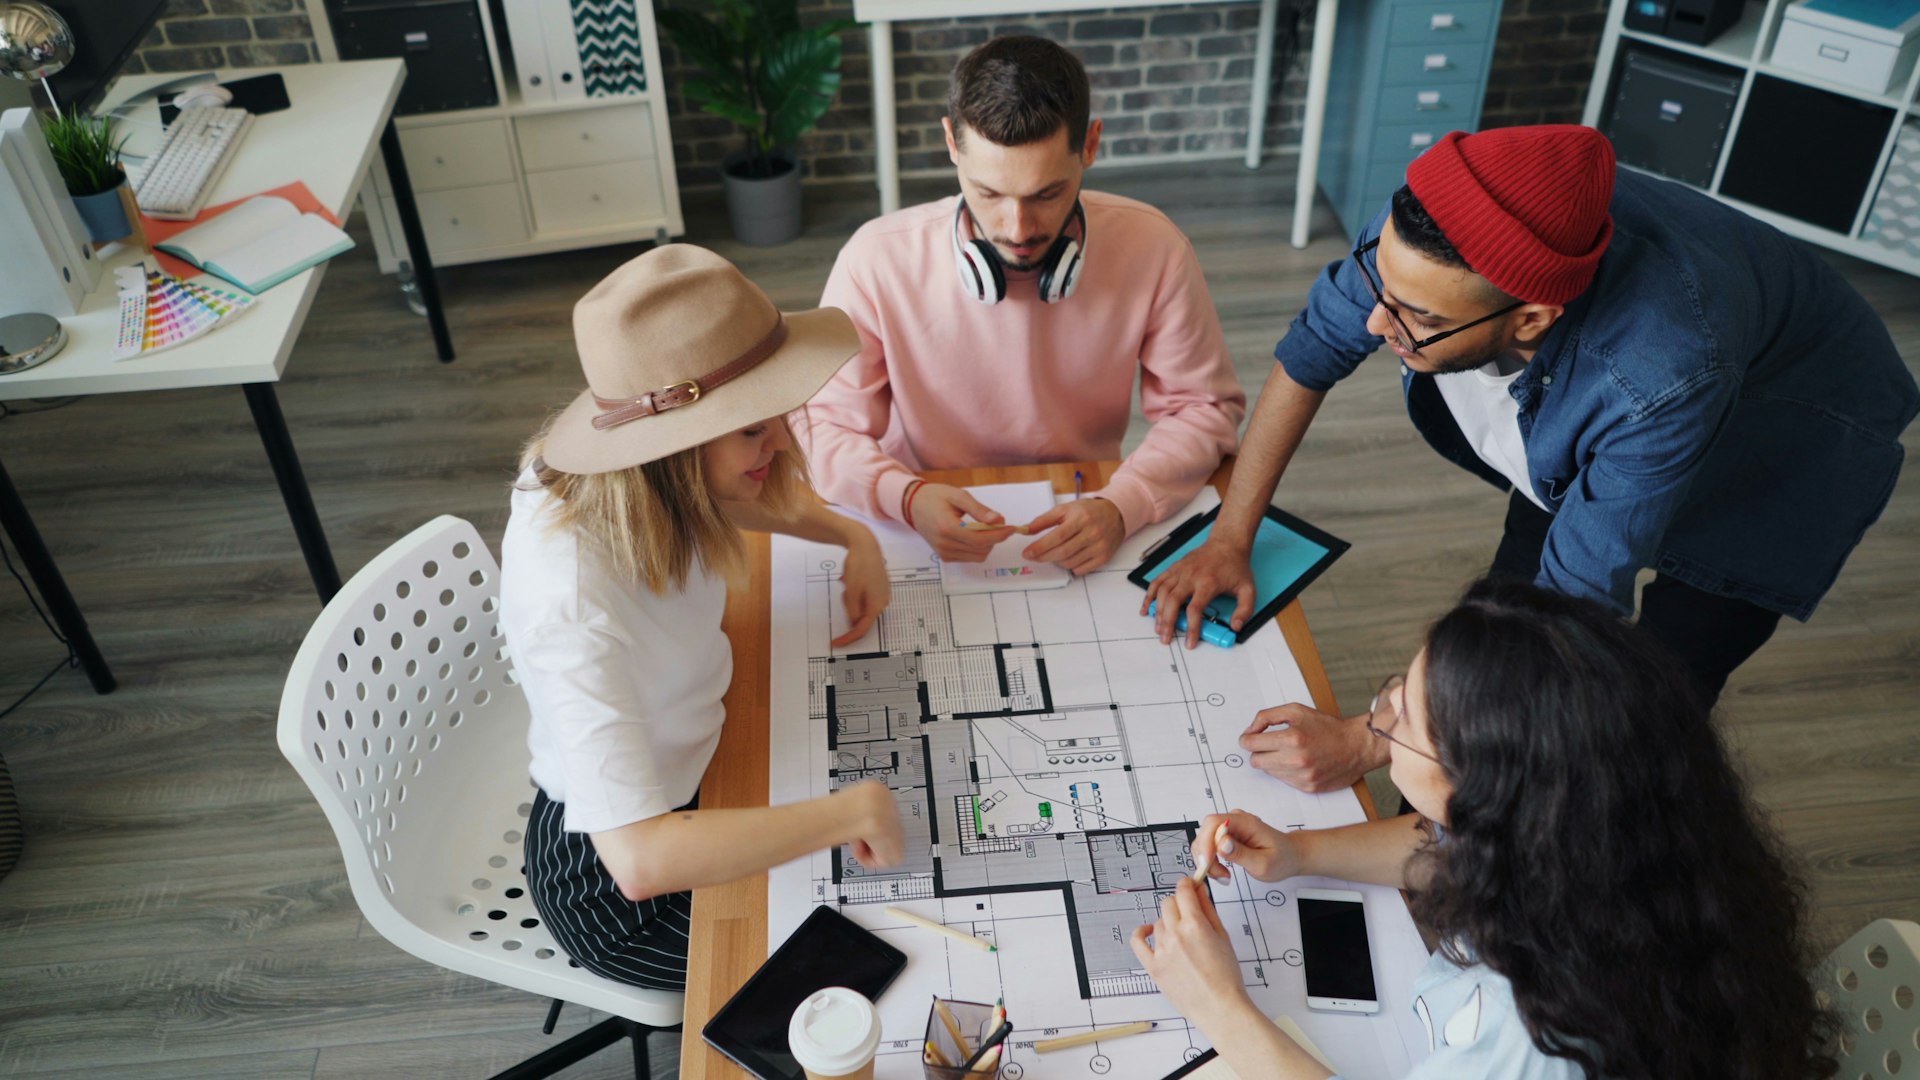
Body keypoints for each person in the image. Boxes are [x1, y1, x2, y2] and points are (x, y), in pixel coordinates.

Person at [1144, 124, 1916, 793]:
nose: (1377, 322)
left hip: (1791, 436)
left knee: (1649, 696)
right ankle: (1445, 812)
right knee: (1507, 610)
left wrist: (1372, 740)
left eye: (1417, 318)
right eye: (1384, 286)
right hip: (1667, 368)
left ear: (1531, 319)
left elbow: (1564, 612)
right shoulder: (1430, 230)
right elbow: (1313, 351)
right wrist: (1230, 537)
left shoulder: (1657, 373)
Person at [1130, 578, 1837, 1080]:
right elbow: (1452, 849)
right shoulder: (1623, 835)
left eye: (1405, 718)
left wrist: (1219, 1006)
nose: (1379, 720)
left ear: (1484, 792)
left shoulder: (1542, 1036)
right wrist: (1300, 851)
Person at [500, 246, 907, 991]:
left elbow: (725, 493)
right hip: (621, 889)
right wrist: (851, 812)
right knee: (874, 962)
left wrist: (852, 534)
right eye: (751, 429)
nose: (779, 440)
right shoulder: (573, 607)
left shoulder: (640, 482)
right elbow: (640, 861)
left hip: (702, 766)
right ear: (671, 450)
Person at [804, 34, 1246, 575]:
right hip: (925, 499)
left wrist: (1122, 504)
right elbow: (821, 427)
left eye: (1046, 194)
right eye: (989, 193)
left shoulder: (1155, 248)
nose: (1017, 230)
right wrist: (906, 496)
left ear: (1090, 145)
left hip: (1086, 495)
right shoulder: (875, 259)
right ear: (952, 143)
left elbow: (1204, 408)